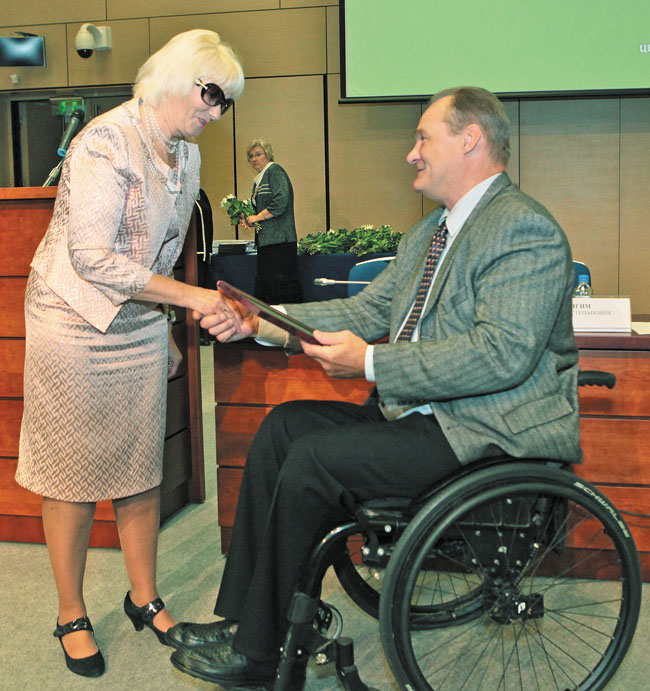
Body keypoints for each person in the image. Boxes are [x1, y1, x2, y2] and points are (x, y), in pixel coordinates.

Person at [168, 86, 580, 687]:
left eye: (422, 138)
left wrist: (372, 366)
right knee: (284, 428)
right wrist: (261, 319)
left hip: (488, 429)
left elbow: (502, 356)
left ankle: (260, 654)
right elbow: (363, 314)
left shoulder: (523, 230)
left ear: (470, 140)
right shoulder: (430, 234)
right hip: (425, 416)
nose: (411, 154)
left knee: (314, 458)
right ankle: (248, 620)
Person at [14, 29, 244, 678]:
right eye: (210, 94)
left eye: (225, 102)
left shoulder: (185, 155)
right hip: (73, 320)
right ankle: (69, 611)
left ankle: (145, 597)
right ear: (173, 79)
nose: (215, 111)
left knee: (141, 465)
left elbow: (163, 253)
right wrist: (194, 302)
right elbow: (91, 257)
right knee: (74, 475)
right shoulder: (105, 142)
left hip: (139, 320)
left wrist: (170, 324)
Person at [243, 138, 302, 303]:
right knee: (268, 288)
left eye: (258, 154)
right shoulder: (259, 180)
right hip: (266, 241)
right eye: (251, 156)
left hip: (279, 242)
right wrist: (248, 218)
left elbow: (281, 201)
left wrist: (258, 217)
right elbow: (260, 207)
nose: (254, 159)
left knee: (280, 289)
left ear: (268, 155)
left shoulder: (274, 171)